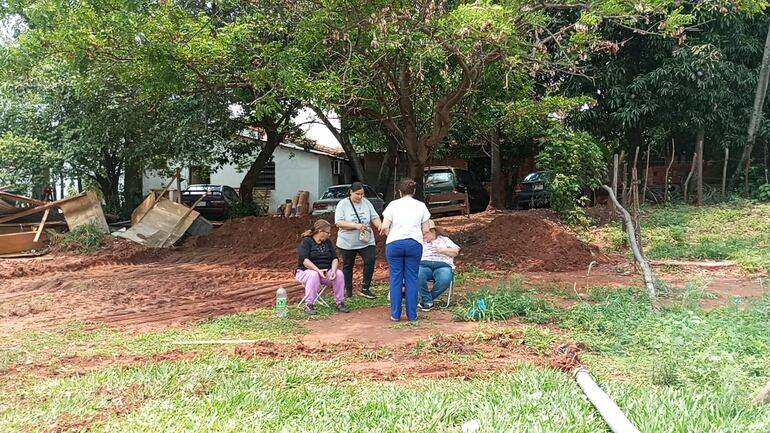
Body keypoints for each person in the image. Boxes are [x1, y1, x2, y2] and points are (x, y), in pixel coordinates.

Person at [379, 178, 431, 321]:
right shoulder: (421, 206)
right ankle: (412, 315)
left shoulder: (392, 205)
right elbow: (426, 230)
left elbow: (384, 227)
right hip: (414, 243)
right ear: (414, 191)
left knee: (396, 278)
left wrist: (392, 235)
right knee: (412, 278)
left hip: (395, 243)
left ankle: (395, 314)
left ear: (399, 191)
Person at [335, 182, 382, 299]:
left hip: (366, 239)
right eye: (357, 194)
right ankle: (348, 290)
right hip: (348, 240)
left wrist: (380, 225)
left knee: (370, 260)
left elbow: (374, 216)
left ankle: (365, 288)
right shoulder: (343, 204)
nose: (360, 197)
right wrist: (355, 225)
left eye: (362, 194)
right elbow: (338, 222)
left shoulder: (366, 203)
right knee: (348, 265)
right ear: (351, 192)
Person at [295, 219, 350, 316]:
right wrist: (317, 270)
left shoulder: (327, 243)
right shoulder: (306, 241)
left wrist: (333, 270)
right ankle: (309, 304)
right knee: (313, 275)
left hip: (325, 273)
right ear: (320, 231)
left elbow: (334, 258)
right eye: (327, 232)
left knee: (339, 274)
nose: (329, 235)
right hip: (305, 272)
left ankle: (340, 302)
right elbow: (305, 260)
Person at [418, 219, 460, 311]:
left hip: (443, 265)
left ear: (433, 232)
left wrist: (442, 250)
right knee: (417, 274)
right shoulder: (419, 241)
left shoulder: (445, 240)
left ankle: (427, 300)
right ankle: (427, 301)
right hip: (423, 264)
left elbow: (455, 252)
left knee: (444, 279)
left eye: (425, 233)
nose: (423, 235)